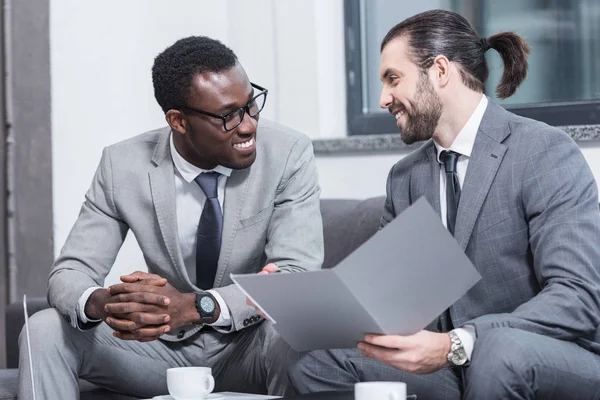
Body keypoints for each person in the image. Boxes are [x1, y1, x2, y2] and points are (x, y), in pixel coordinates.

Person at [289, 9, 600, 400]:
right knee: (312, 359)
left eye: (393, 79)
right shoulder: (405, 178)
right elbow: (389, 298)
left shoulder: (544, 152)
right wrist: (306, 305)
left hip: (546, 354)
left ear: (439, 71)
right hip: (450, 368)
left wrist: (458, 342)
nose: (384, 98)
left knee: (499, 352)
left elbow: (578, 298)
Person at [18, 36, 323, 399]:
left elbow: (297, 275)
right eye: (228, 115)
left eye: (251, 104)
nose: (248, 126)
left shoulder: (289, 153)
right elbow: (69, 273)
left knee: (296, 325)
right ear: (178, 121)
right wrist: (107, 304)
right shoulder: (123, 165)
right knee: (44, 328)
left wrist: (198, 307)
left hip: (252, 348)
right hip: (161, 351)